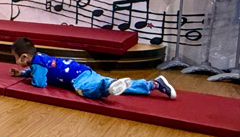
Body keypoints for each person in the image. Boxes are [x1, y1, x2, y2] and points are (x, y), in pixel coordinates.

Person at [11, 37, 175, 100]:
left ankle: (106, 88)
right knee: (117, 85)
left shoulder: (37, 65)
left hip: (77, 78)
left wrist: (29, 79)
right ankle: (153, 84)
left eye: (15, 58)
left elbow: (40, 83)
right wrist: (22, 73)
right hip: (83, 70)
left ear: (24, 57)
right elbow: (38, 71)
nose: (16, 61)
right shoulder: (40, 57)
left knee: (85, 90)